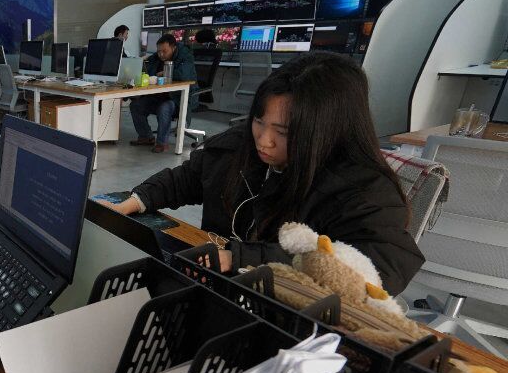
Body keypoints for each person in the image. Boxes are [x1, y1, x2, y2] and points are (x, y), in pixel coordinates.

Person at [99, 52, 423, 295]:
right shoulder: (239, 146)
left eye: (283, 131)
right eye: (258, 121)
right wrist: (134, 201)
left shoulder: (363, 190)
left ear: (326, 132)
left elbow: (379, 269)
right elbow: (188, 178)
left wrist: (241, 257)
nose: (263, 141)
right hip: (220, 291)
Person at [129, 34, 198, 153]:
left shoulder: (186, 57)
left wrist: (165, 73)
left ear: (173, 48)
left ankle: (162, 143)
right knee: (136, 105)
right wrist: (141, 64)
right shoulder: (158, 56)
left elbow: (184, 75)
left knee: (164, 108)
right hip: (159, 96)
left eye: (164, 51)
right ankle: (146, 137)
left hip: (178, 99)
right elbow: (149, 70)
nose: (161, 54)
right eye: (158, 51)